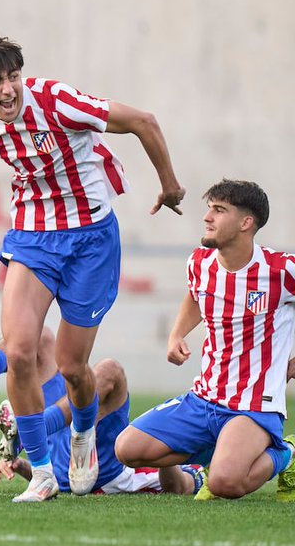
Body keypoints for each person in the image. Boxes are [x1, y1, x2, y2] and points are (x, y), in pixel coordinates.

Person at [0, 31, 186, 502]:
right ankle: (40, 473)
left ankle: (82, 438)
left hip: (91, 240)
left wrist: (170, 184)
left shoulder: (57, 100)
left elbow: (143, 121)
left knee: (73, 367)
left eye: (14, 76)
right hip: (33, 238)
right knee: (20, 351)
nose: (9, 88)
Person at [114, 179, 295, 501]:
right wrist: (176, 334)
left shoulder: (281, 270)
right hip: (204, 398)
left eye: (219, 210)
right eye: (209, 208)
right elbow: (196, 297)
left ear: (245, 222)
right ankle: (219, 453)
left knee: (226, 485)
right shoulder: (200, 263)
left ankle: (287, 453)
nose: (207, 217)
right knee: (127, 450)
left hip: (252, 406)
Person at [0, 322, 203, 496]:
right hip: (65, 450)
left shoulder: (198, 467)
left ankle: (32, 426)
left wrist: (167, 446)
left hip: (105, 470)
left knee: (110, 371)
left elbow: (177, 488)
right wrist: (25, 468)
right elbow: (59, 477)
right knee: (39, 338)